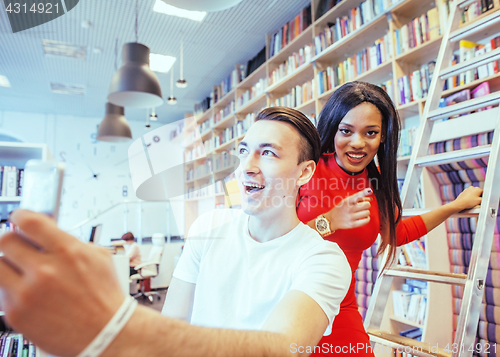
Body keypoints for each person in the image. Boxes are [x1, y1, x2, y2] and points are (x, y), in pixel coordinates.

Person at [0, 107, 351, 357]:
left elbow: (283, 349)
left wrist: (115, 325)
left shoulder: (323, 259)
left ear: (304, 173)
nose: (248, 167)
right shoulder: (208, 227)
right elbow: (175, 321)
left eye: (268, 153)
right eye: (243, 151)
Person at [296, 81, 483, 356]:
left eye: (370, 132)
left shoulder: (378, 185)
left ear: (383, 137)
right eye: (346, 131)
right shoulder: (305, 170)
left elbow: (400, 233)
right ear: (333, 128)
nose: (358, 143)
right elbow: (271, 236)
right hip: (290, 295)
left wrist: (454, 206)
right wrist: (329, 221)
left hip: (340, 303)